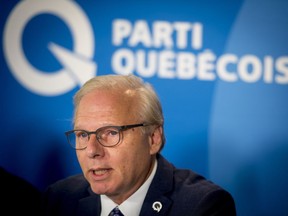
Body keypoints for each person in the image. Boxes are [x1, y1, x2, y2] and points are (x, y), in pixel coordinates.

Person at [41, 74, 236, 216]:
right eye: (83, 134)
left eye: (110, 133)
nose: (92, 150)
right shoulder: (60, 199)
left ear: (153, 138)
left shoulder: (201, 207)